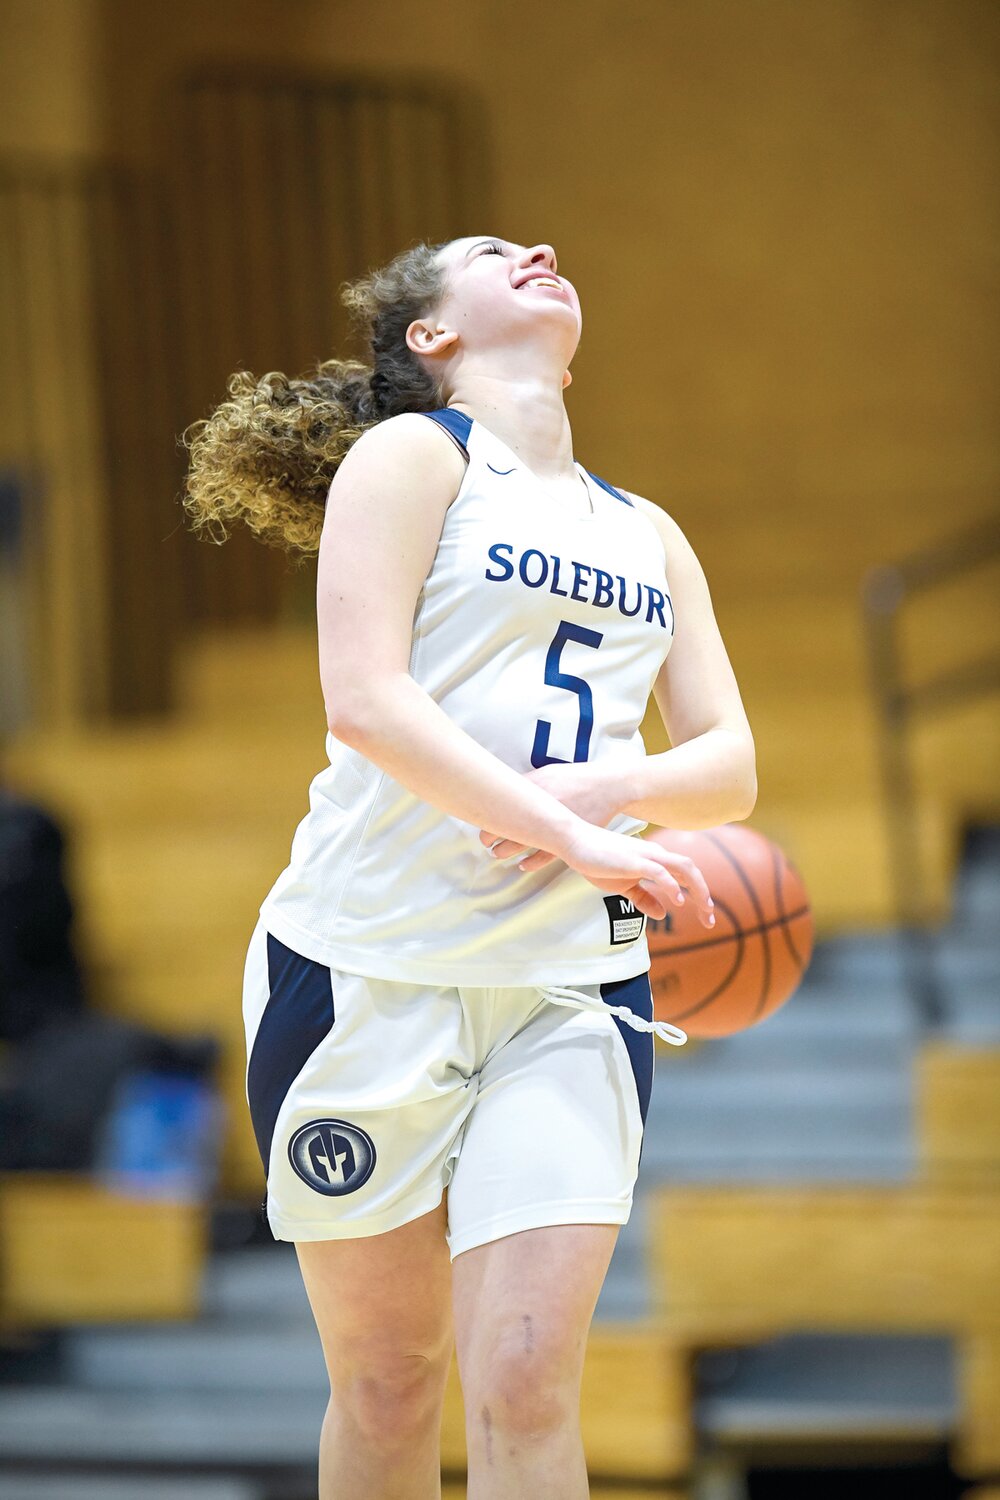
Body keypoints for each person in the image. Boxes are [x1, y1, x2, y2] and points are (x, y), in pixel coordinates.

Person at [183, 234, 756, 1500]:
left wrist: (602, 795)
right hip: (366, 967)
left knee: (525, 1377)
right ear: (430, 336)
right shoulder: (413, 458)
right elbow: (365, 704)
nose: (541, 250)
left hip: (568, 981)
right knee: (388, 1387)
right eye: (495, 254)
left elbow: (729, 762)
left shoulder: (645, 530)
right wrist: (574, 833)